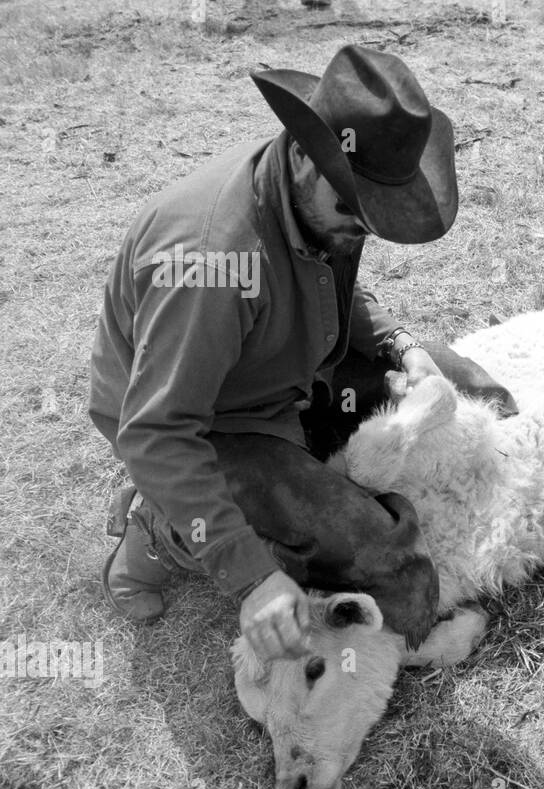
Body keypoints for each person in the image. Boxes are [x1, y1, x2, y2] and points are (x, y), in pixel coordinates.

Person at [91, 45, 515, 663]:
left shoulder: (323, 203)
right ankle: (160, 525)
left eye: (376, 220)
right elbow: (156, 430)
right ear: (300, 154)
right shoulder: (210, 263)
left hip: (281, 366)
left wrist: (398, 344)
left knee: (462, 379)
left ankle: (298, 463)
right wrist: (253, 578)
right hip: (209, 421)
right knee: (393, 570)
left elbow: (329, 284)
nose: (361, 231)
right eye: (354, 211)